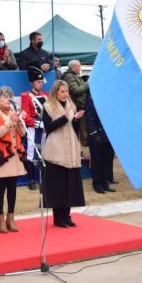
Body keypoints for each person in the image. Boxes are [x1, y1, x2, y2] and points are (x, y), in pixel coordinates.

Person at [41, 79, 85, 227]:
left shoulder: (71, 105)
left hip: (70, 149)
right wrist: (65, 118)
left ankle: (67, 216)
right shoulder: (47, 106)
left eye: (67, 91)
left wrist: (76, 120)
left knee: (69, 184)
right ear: (55, 92)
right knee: (58, 184)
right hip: (56, 149)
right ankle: (58, 218)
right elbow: (48, 127)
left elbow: (74, 128)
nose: (66, 94)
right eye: (62, 91)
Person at [0, 86, 27, 233]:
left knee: (13, 189)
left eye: (9, 96)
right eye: (4, 97)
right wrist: (9, 122)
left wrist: (20, 121)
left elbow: (22, 134)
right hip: (0, 156)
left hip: (14, 155)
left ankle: (11, 218)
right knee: (0, 189)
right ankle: (1, 220)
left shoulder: (14, 113)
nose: (8, 99)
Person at [20, 67, 48, 190]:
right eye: (38, 82)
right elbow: (25, 115)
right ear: (32, 83)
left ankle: (45, 178)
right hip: (33, 127)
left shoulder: (46, 95)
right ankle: (31, 180)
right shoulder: (26, 95)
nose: (40, 84)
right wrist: (37, 124)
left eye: (41, 82)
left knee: (46, 152)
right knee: (31, 153)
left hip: (46, 128)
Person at [83, 90, 115, 194]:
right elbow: (89, 119)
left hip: (108, 135)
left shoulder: (108, 100)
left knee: (107, 161)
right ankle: (97, 184)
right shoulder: (92, 100)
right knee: (97, 161)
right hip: (97, 136)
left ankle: (105, 183)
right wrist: (94, 134)